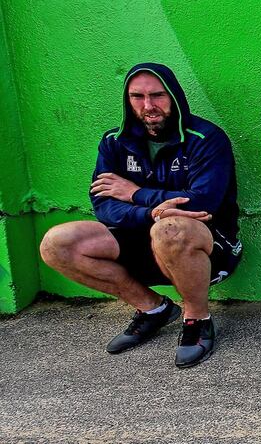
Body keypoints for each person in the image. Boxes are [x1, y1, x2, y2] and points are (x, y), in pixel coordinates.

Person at [39, 62, 242, 368]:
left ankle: (197, 319)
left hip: (209, 248)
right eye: (138, 96)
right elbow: (103, 204)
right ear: (128, 99)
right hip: (141, 240)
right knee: (56, 244)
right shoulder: (113, 142)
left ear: (174, 96)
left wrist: (134, 193)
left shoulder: (206, 139)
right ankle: (152, 309)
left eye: (157, 95)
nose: (148, 106)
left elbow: (202, 204)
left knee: (171, 229)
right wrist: (151, 213)